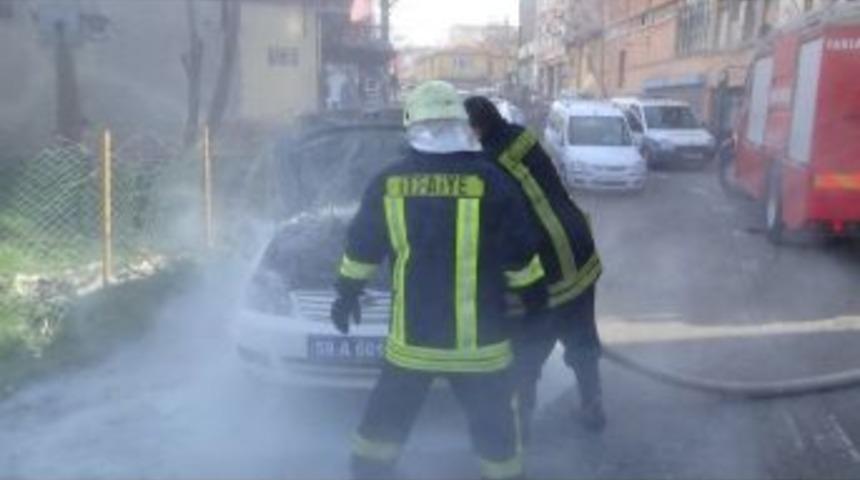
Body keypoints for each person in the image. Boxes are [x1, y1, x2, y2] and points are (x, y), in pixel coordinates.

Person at [331, 81, 548, 480]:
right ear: (460, 124)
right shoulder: (495, 182)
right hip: (482, 352)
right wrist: (537, 305)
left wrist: (346, 294)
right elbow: (521, 257)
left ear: (411, 125)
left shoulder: (388, 182)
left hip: (411, 347)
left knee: (381, 432)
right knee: (496, 439)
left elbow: (361, 247)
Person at [463, 96, 605, 435]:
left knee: (527, 353)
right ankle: (592, 406)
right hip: (577, 246)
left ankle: (519, 425)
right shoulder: (521, 135)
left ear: (475, 128)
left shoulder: (487, 164)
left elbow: (499, 226)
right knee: (582, 337)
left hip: (545, 263)